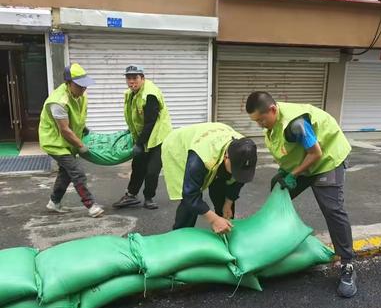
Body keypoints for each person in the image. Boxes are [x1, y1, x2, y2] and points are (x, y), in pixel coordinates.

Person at [245, 91, 357, 298]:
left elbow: (316, 153)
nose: (259, 125)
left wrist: (293, 174)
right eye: (256, 121)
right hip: (306, 163)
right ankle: (275, 245)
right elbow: (290, 150)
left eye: (261, 120)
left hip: (327, 162)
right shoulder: (273, 122)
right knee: (278, 190)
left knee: (332, 210)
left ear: (272, 109)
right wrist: (286, 173)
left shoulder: (296, 124)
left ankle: (347, 265)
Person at [161, 122, 257, 234]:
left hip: (215, 141)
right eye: (236, 170)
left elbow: (238, 180)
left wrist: (228, 203)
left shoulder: (246, 150)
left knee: (221, 189)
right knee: (189, 201)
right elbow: (190, 196)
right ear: (226, 157)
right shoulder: (199, 159)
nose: (239, 174)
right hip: (178, 146)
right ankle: (180, 236)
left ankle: (224, 229)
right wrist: (213, 219)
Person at [38, 63, 103, 218]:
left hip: (68, 141)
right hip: (55, 142)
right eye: (79, 86)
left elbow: (78, 116)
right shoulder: (58, 102)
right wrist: (81, 146)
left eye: (85, 85)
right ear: (68, 83)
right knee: (77, 171)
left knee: (66, 173)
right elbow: (65, 130)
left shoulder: (80, 94)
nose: (83, 89)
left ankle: (54, 202)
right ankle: (91, 205)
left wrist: (84, 129)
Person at [113, 65, 172, 210]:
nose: (132, 81)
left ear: (142, 78)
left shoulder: (150, 94)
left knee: (152, 170)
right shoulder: (130, 93)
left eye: (135, 78)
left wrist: (139, 144)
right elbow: (133, 116)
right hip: (143, 135)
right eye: (129, 78)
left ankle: (149, 197)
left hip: (158, 137)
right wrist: (132, 134)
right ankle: (131, 195)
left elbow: (150, 122)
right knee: (138, 166)